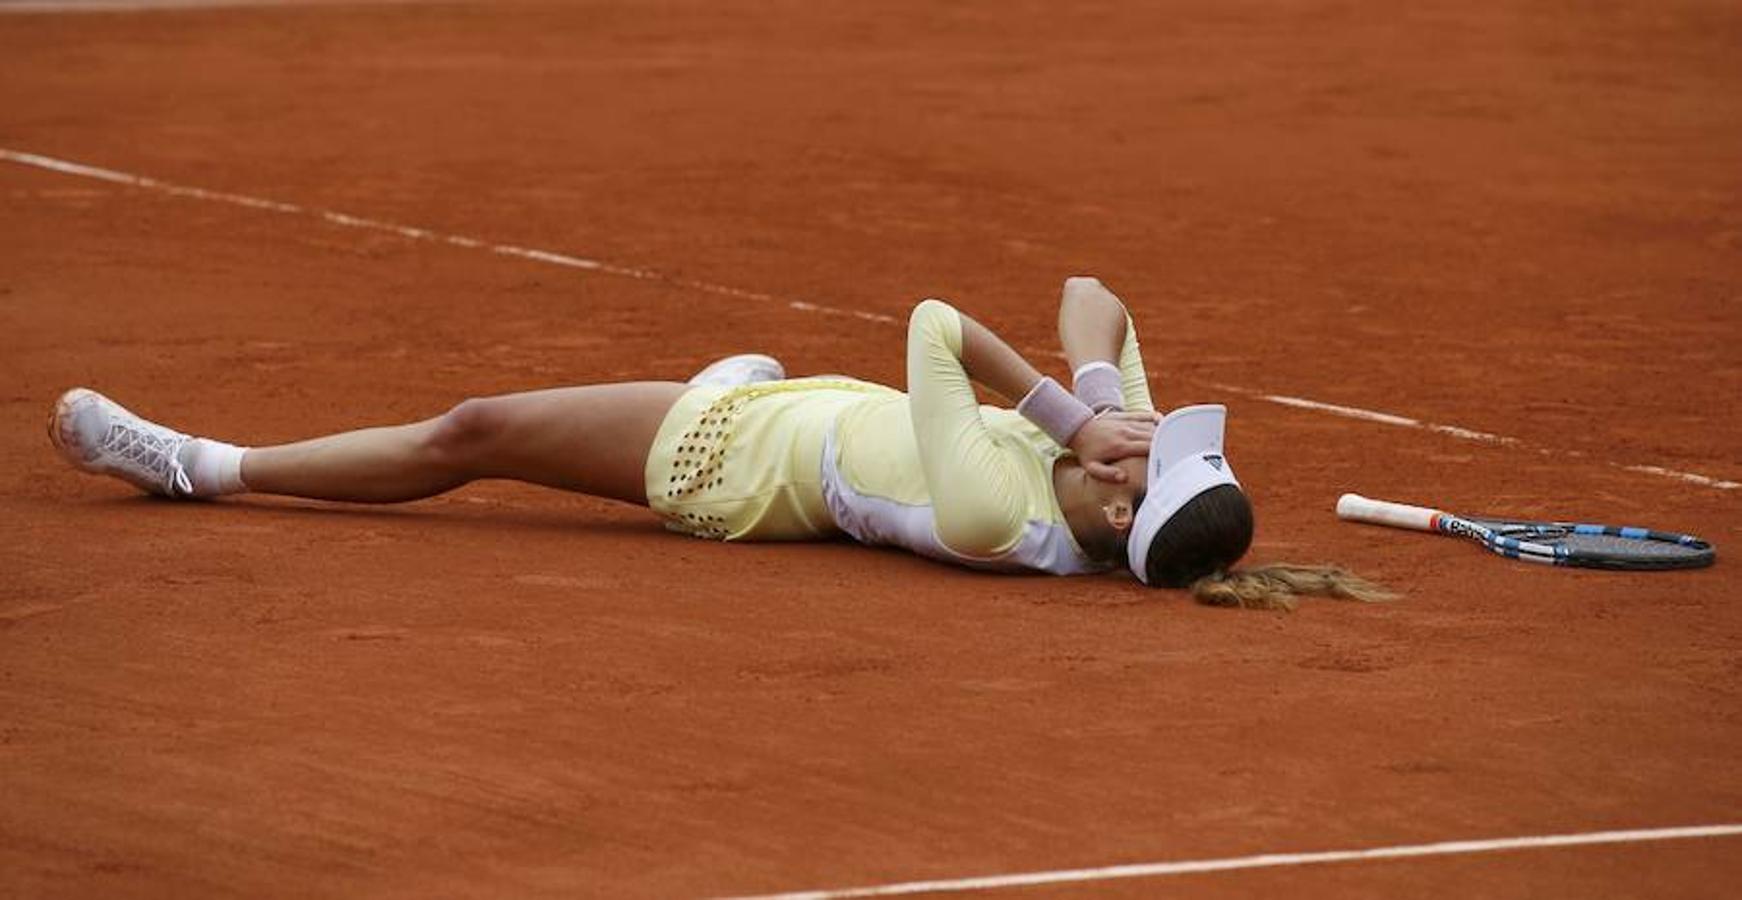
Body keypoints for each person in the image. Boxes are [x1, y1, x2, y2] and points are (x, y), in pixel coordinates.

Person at [48, 277, 1387, 609]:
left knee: (477, 432)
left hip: (733, 464)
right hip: (803, 403)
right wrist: (1098, 384)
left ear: (1114, 509)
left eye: (1148, 455)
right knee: (511, 418)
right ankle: (731, 374)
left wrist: (1064, 411)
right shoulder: (1119, 469)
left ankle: (206, 466)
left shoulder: (1001, 513)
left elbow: (931, 324)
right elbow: (1096, 289)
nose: (1145, 437)